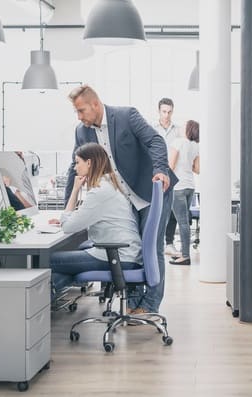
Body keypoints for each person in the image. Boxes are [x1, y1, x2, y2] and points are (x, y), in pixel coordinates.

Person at [66, 85, 177, 315]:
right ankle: (133, 301)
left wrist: (161, 170)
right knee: (133, 250)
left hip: (151, 190)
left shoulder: (127, 116)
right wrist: (68, 205)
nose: (79, 117)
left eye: (81, 110)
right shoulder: (82, 131)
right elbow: (74, 169)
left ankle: (150, 304)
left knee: (152, 248)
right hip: (126, 200)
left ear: (95, 104)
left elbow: (156, 141)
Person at [50, 143, 142, 297]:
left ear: (89, 163)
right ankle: (48, 298)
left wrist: (75, 190)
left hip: (117, 256)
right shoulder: (110, 185)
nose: (75, 168)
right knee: (68, 264)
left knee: (47, 260)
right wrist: (69, 218)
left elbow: (68, 227)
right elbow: (84, 217)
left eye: (77, 162)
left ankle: (45, 299)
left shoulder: (100, 191)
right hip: (126, 254)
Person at [168, 120, 200, 265]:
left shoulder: (178, 142)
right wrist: (186, 164)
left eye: (184, 125)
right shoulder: (195, 146)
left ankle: (185, 256)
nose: (181, 126)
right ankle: (183, 252)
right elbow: (197, 169)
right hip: (190, 186)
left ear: (188, 129)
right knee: (184, 221)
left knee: (182, 223)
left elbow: (171, 166)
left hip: (178, 187)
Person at [153, 98, 181, 257]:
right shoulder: (152, 128)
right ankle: (157, 242)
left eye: (169, 112)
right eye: (164, 111)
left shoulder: (178, 130)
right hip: (157, 173)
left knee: (171, 210)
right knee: (156, 209)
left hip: (174, 173)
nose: (167, 115)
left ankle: (169, 243)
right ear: (159, 111)